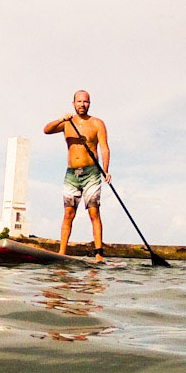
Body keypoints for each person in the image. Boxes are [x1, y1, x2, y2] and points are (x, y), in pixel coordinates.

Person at [43, 90, 111, 262]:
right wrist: (62, 119)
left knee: (94, 212)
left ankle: (99, 254)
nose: (82, 104)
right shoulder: (67, 123)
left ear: (89, 104)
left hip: (92, 172)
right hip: (72, 173)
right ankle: (62, 253)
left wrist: (106, 170)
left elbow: (104, 148)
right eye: (79, 101)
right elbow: (46, 130)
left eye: (86, 102)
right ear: (73, 104)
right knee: (68, 213)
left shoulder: (97, 123)